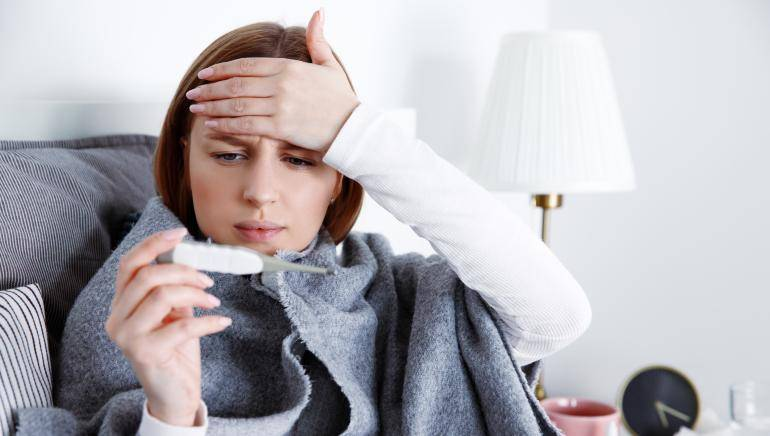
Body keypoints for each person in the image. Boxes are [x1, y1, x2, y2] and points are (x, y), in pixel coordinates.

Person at [13, 9, 591, 436]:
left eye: (301, 159)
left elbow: (558, 315)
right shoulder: (132, 313)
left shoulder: (405, 296)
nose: (261, 192)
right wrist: (170, 413)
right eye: (229, 155)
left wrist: (358, 132)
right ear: (185, 160)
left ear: (341, 172)